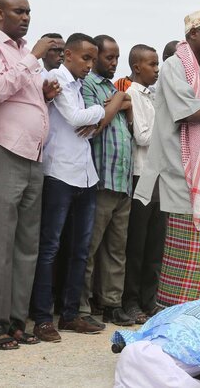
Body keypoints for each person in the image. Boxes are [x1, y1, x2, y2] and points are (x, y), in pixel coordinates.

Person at [0, 0, 59, 350]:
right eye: (18, 12)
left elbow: (25, 92)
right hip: (6, 149)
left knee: (26, 243)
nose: (25, 18)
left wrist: (45, 92)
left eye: (28, 12)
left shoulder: (23, 52)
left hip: (35, 154)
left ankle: (16, 320)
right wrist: (34, 59)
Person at [134, 9, 200, 306]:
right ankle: (176, 326)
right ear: (193, 33)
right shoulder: (174, 66)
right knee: (188, 269)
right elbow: (193, 112)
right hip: (189, 182)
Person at [31, 33, 125, 342]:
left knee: (80, 250)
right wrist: (105, 108)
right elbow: (74, 118)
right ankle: (44, 318)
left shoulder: (81, 85)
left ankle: (71, 315)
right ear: (67, 55)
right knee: (50, 248)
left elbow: (87, 122)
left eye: (92, 59)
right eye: (85, 58)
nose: (90, 64)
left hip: (86, 174)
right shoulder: (56, 79)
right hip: (59, 173)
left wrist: (97, 113)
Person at [79, 35, 135, 327]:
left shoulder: (113, 88)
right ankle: (81, 307)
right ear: (95, 56)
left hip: (122, 180)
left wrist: (122, 100)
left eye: (117, 58)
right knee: (89, 247)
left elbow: (127, 122)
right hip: (101, 179)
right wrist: (119, 100)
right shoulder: (88, 84)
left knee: (116, 249)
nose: (114, 63)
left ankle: (111, 303)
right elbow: (96, 124)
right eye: (109, 57)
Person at [121, 44, 164, 324]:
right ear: (137, 67)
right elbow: (143, 137)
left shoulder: (155, 96)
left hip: (160, 176)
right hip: (141, 175)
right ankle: (130, 301)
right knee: (136, 245)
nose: (157, 69)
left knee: (155, 244)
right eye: (152, 64)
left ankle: (150, 300)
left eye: (157, 64)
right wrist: (167, 126)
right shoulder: (132, 94)